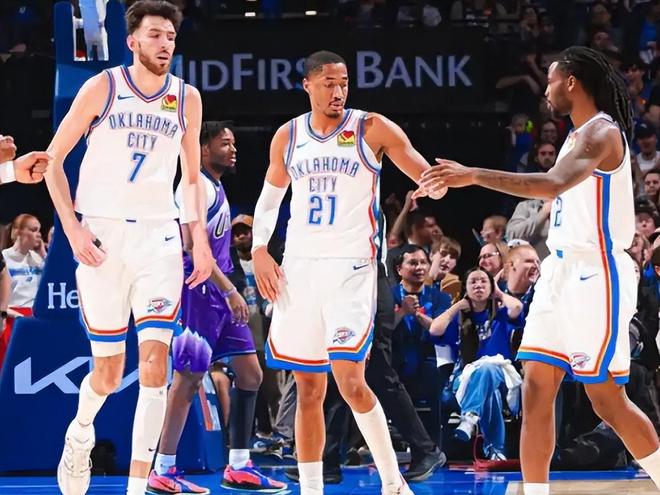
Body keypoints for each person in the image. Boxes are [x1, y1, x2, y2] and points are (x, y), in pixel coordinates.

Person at [420, 46, 660, 495]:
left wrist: (473, 175)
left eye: (550, 81)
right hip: (558, 273)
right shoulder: (575, 136)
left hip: (596, 274)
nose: (545, 90)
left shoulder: (601, 133)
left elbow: (552, 184)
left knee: (607, 399)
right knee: (535, 388)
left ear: (571, 81)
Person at [251, 50, 441, 495]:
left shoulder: (371, 127)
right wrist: (260, 249)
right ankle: (312, 488)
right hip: (300, 270)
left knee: (351, 382)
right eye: (329, 83)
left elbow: (421, 170)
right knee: (308, 388)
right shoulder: (288, 135)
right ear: (308, 85)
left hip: (351, 269)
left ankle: (393, 482)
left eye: (344, 83)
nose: (338, 92)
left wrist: (439, 181)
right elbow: (270, 199)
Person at [43, 2, 213, 494]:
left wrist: (199, 241)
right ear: (132, 41)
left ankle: (137, 488)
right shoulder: (103, 87)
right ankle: (80, 434)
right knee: (108, 371)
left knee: (157, 366)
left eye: (171, 37)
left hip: (159, 237)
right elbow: (53, 161)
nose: (165, 44)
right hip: (103, 236)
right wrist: (73, 230)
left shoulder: (187, 98)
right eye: (155, 35)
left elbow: (191, 178)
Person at [148, 121, 285, 494]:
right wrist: (229, 291)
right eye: (225, 143)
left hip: (221, 293)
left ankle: (238, 466)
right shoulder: (193, 188)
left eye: (234, 143)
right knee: (188, 379)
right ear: (203, 148)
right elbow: (192, 249)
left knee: (251, 374)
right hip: (199, 292)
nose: (233, 149)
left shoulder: (215, 186)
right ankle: (163, 469)